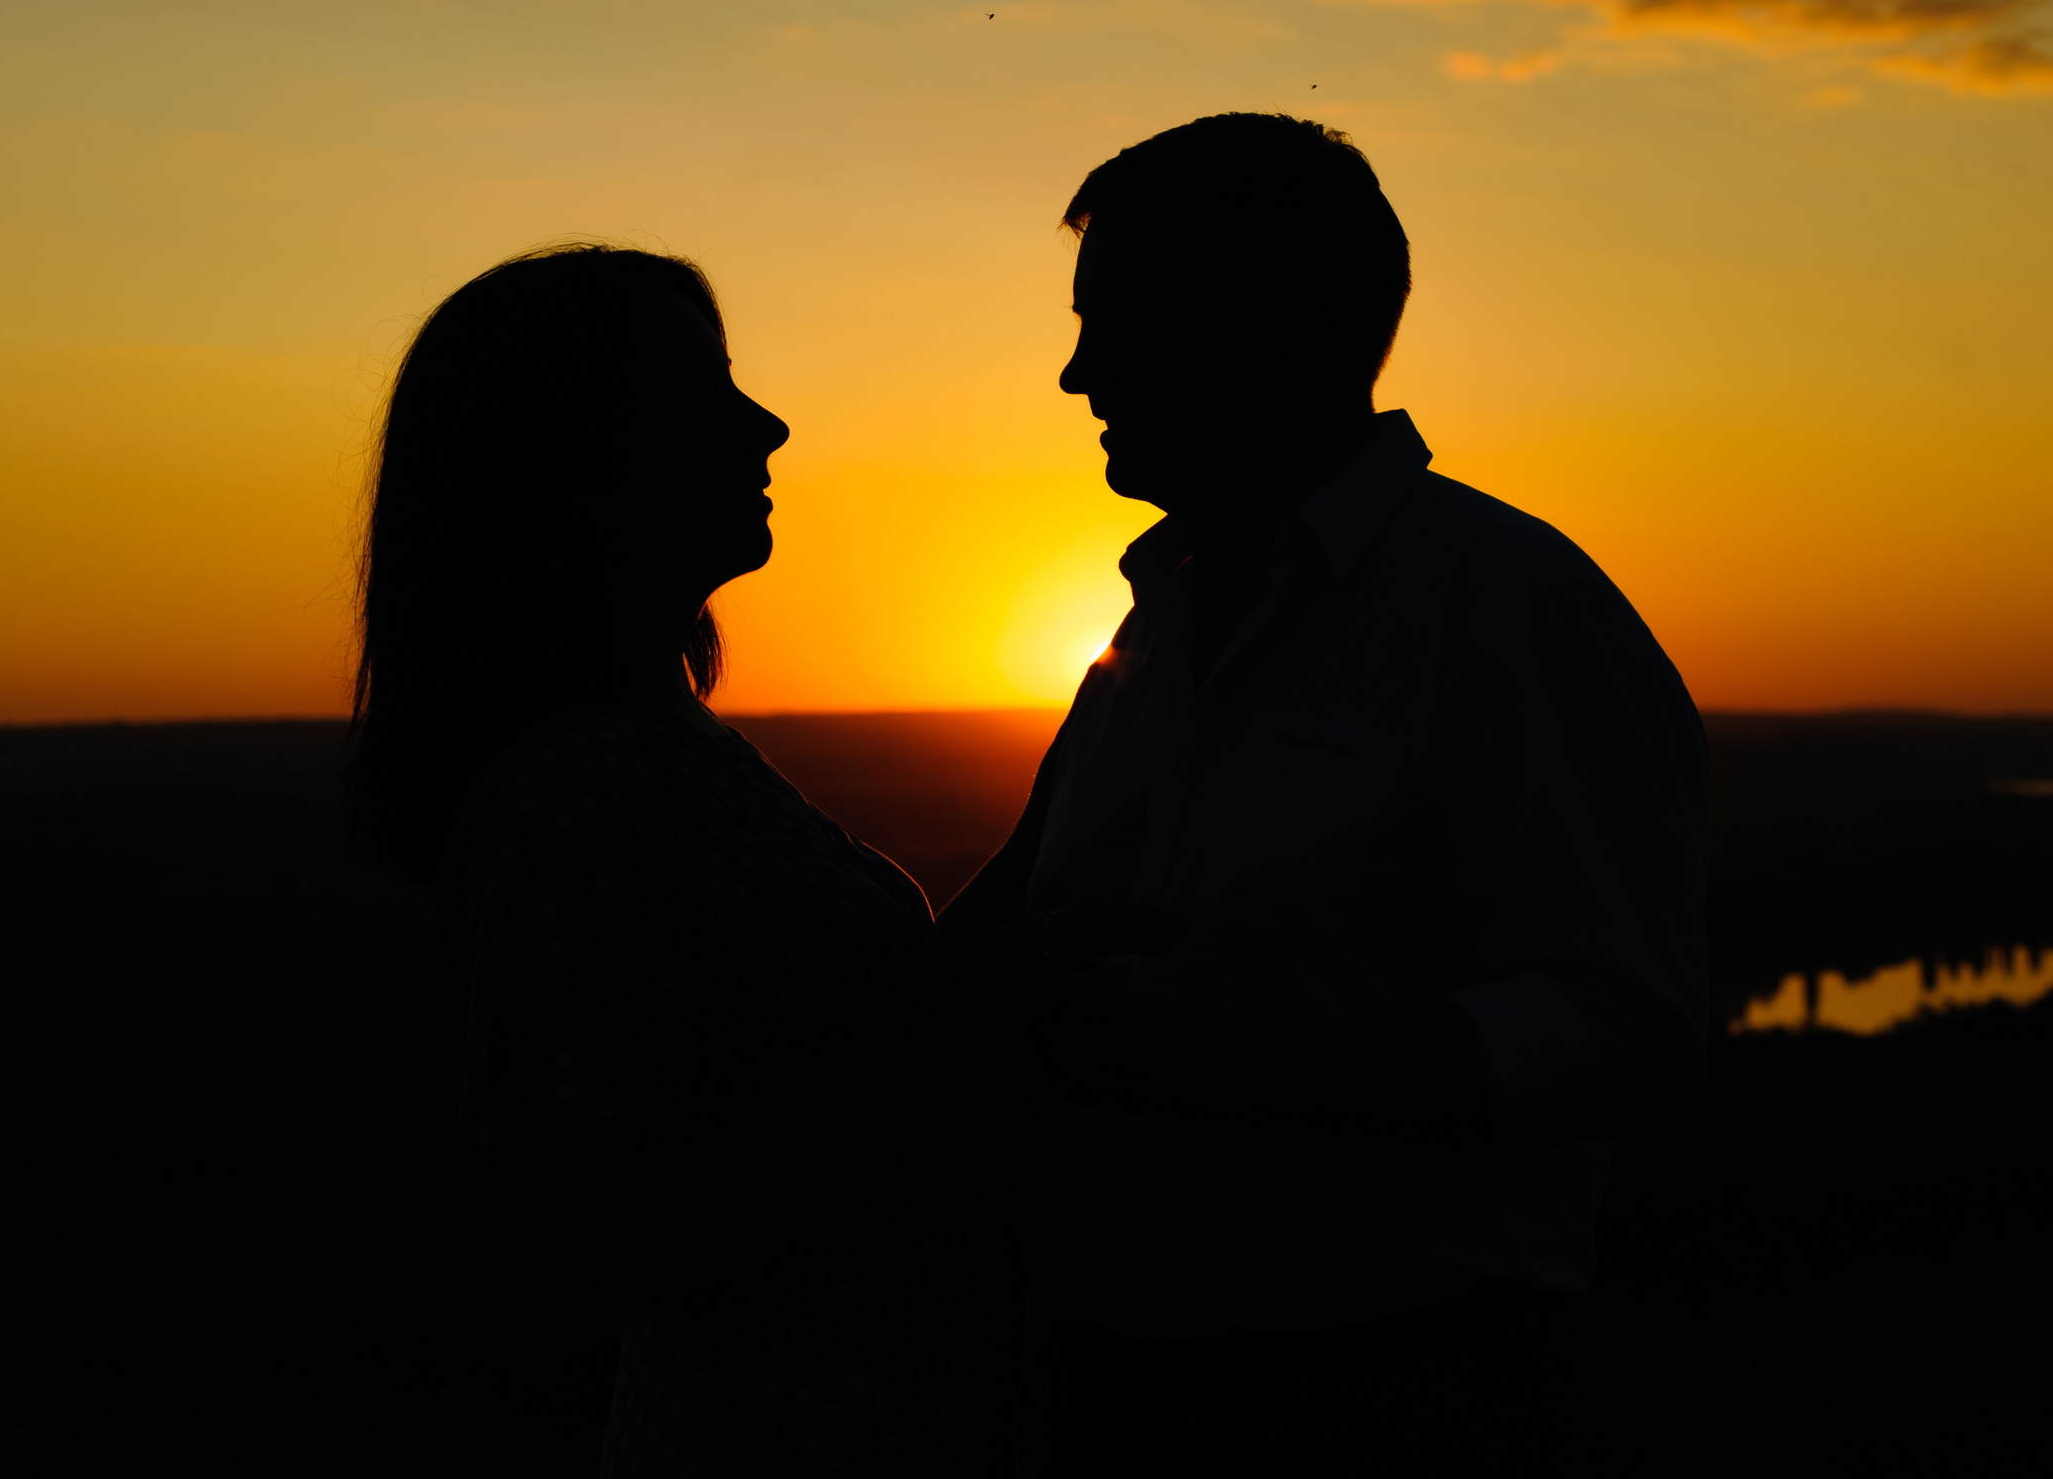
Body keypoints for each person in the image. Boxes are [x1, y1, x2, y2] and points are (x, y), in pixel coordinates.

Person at [938, 115, 1710, 1475]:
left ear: (1288, 329)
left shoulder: (1513, 614)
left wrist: (1227, 1080)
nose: (1073, 373)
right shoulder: (1141, 635)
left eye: (1127, 325)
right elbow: (1001, 937)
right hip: (1098, 1387)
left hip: (1400, 1399)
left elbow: (1615, 1027)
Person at [344, 242, 1178, 1476]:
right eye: (700, 395)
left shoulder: (661, 747)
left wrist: (1098, 744)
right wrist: (967, 1045)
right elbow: (584, 1241)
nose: (769, 425)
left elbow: (837, 1040)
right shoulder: (576, 786)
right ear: (567, 460)